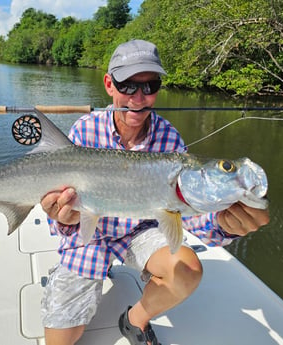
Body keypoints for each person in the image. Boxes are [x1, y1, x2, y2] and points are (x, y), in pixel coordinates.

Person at [39, 39, 270, 345]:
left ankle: (134, 320)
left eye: (150, 86)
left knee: (187, 269)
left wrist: (223, 224)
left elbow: (184, 214)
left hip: (139, 230)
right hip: (90, 236)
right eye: (128, 85)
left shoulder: (169, 138)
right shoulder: (84, 129)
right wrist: (61, 216)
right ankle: (70, 276)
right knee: (61, 342)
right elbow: (64, 209)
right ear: (109, 84)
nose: (138, 97)